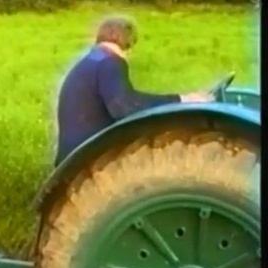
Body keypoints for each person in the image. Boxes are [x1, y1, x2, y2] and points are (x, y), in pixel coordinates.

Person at [54, 15, 214, 165]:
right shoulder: (110, 61)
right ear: (128, 44)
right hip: (86, 158)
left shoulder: (93, 59)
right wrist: (181, 100)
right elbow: (126, 107)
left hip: (74, 153)